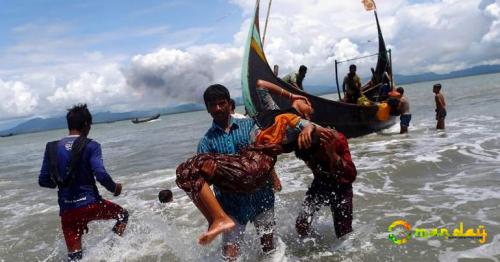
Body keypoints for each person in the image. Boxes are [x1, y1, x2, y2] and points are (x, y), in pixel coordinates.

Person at [38, 104, 128, 261]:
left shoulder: (51, 147)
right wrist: (115, 188)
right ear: (86, 124)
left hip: (67, 211)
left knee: (75, 258)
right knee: (123, 215)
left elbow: (44, 180)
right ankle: (111, 253)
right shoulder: (92, 145)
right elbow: (100, 174)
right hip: (91, 205)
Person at [295, 127, 357, 239]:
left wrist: (332, 154)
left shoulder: (336, 140)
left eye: (315, 156)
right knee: (301, 224)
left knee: (344, 234)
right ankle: (313, 246)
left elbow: (351, 175)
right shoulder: (300, 140)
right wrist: (310, 126)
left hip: (341, 184)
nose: (310, 162)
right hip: (320, 182)